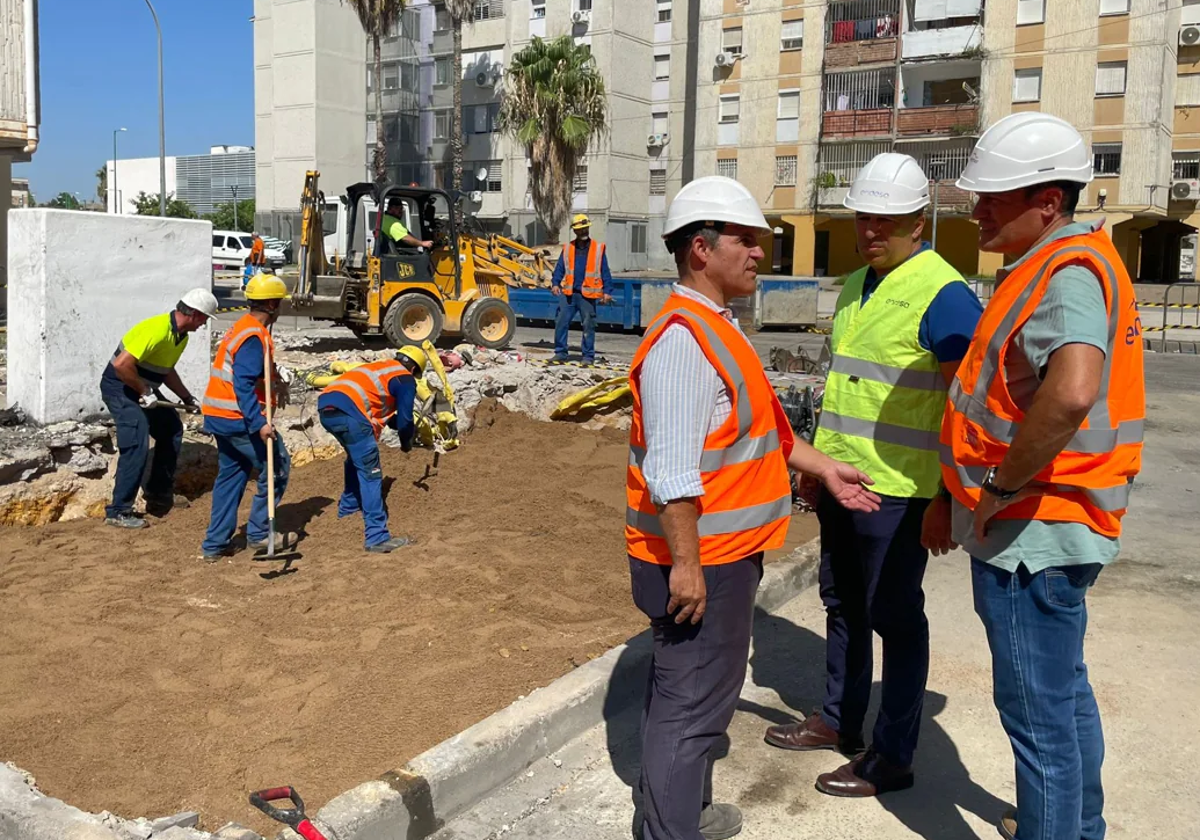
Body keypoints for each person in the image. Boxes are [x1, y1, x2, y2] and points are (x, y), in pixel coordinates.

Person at [627, 175, 882, 840]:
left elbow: (762, 430)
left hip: (723, 555)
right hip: (699, 563)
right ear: (699, 251)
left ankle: (687, 810)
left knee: (697, 697)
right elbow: (671, 472)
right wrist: (687, 567)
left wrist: (823, 467)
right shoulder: (683, 342)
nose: (760, 253)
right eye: (746, 240)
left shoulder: (722, 328)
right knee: (689, 707)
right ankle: (671, 829)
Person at [941, 112, 1144, 840]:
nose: (978, 211)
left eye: (994, 197)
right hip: (1058, 525)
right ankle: (1076, 829)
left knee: (1038, 720)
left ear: (1049, 202)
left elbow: (1072, 391)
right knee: (1064, 697)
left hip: (1034, 532)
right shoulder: (1054, 266)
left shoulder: (1065, 275)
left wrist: (997, 489)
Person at [763, 154, 984, 797]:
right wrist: (818, 468)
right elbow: (844, 388)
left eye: (886, 220)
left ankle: (892, 755)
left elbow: (963, 406)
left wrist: (950, 494)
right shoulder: (857, 283)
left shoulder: (944, 295)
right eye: (863, 217)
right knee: (843, 606)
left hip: (902, 493)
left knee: (895, 615)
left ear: (919, 221)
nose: (871, 230)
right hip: (843, 483)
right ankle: (839, 720)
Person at [100, 289, 219, 528]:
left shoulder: (180, 337)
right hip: (120, 386)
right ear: (194, 314)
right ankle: (118, 511)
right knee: (136, 438)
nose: (204, 323)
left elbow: (166, 371)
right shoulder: (156, 330)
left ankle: (158, 493)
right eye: (204, 318)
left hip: (143, 386)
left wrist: (186, 397)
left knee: (171, 428)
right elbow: (121, 366)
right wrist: (143, 392)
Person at [200, 274, 297, 561]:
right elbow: (242, 383)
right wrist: (259, 424)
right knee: (277, 466)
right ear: (271, 303)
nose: (280, 308)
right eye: (278, 303)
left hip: (219, 415)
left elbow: (247, 376)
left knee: (232, 475)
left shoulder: (242, 328)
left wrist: (274, 377)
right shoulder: (254, 337)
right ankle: (258, 534)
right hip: (237, 418)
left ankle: (215, 544)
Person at [317, 346, 423, 554]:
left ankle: (348, 508)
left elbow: (380, 406)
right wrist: (407, 442)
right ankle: (377, 537)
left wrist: (396, 423)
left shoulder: (379, 368)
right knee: (371, 472)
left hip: (327, 408)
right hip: (350, 413)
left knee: (355, 458)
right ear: (413, 370)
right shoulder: (405, 378)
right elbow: (405, 420)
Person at [551, 214, 613, 364]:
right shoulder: (567, 249)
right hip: (569, 294)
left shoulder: (598, 249)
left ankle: (587, 356)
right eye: (580, 230)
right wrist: (555, 283)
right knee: (561, 322)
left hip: (588, 295)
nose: (583, 232)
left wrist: (607, 291)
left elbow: (605, 270)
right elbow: (560, 268)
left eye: (585, 229)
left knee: (588, 325)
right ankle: (560, 353)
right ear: (575, 231)